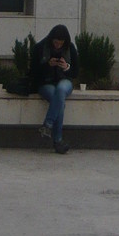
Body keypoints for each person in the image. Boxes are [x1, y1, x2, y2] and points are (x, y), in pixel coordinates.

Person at [31, 24, 79, 154]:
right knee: (58, 100)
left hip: (64, 80)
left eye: (61, 43)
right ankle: (58, 140)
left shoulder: (71, 48)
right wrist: (47, 65)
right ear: (51, 39)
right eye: (56, 43)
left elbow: (75, 73)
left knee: (61, 91)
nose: (58, 46)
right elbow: (33, 72)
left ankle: (48, 124)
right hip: (45, 82)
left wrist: (67, 67)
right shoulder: (40, 48)